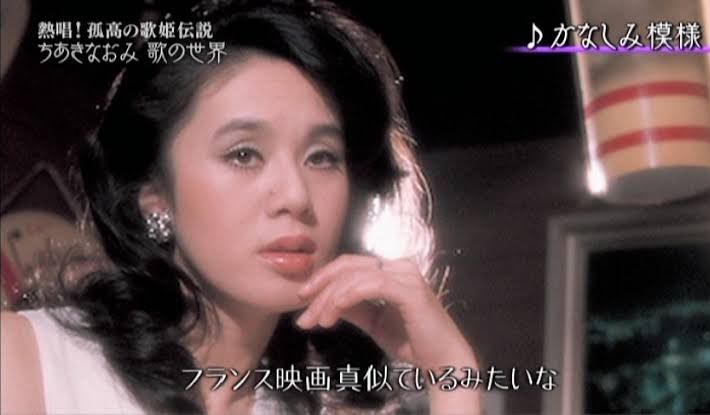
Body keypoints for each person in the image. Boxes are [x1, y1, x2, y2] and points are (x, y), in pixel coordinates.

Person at [0, 0, 482, 413]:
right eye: (244, 154)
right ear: (153, 194)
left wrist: (452, 372)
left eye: (321, 157)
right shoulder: (25, 361)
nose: (295, 196)